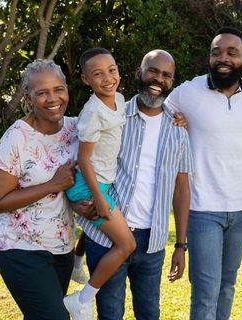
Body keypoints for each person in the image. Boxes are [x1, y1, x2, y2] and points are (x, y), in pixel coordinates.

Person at [77, 49, 192, 320]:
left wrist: (180, 245)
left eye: (166, 75)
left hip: (153, 242)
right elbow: (82, 161)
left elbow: (182, 189)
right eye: (153, 71)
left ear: (171, 82)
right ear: (139, 73)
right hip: (106, 237)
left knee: (149, 313)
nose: (158, 78)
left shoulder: (178, 128)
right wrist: (77, 202)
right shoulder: (113, 116)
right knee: (109, 313)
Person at [164, 27, 242, 320]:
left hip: (240, 210)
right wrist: (174, 121)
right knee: (206, 291)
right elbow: (155, 109)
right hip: (202, 209)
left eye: (232, 52)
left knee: (227, 287)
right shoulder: (189, 91)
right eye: (216, 52)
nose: (223, 58)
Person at [0, 59, 79, 319]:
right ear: (29, 97)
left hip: (61, 246)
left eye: (58, 89)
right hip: (19, 247)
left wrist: (176, 118)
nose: (53, 98)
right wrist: (53, 184)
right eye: (42, 92)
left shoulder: (75, 128)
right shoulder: (17, 137)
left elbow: (113, 119)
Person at [63, 47, 136, 319]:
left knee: (103, 230)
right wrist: (99, 198)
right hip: (88, 183)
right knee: (126, 244)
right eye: (97, 74)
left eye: (112, 70)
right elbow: (83, 159)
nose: (107, 78)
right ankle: (81, 299)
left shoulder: (118, 97)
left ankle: (77, 260)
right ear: (85, 80)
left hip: (102, 181)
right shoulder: (93, 112)